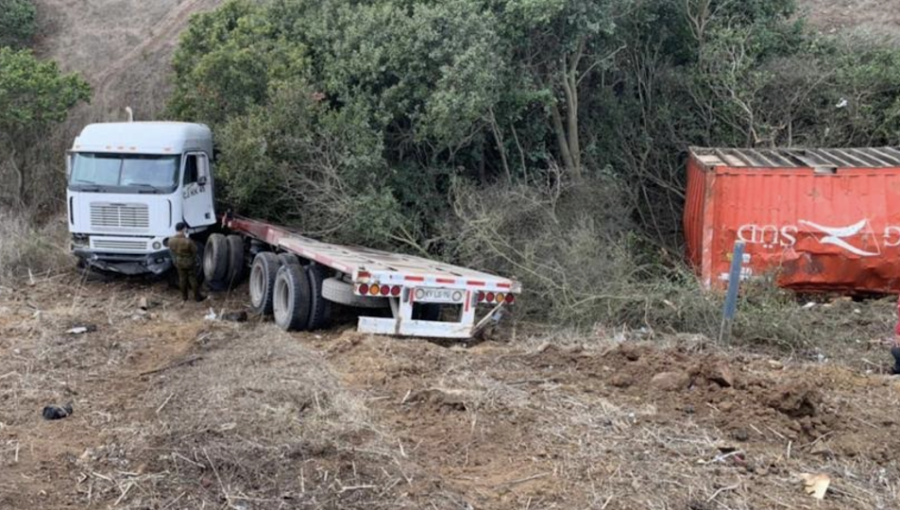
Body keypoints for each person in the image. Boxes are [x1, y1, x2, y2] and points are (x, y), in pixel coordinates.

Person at [167, 222, 203, 302]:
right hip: (189, 262)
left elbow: (171, 252)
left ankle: (184, 297)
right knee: (192, 278)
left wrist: (175, 261)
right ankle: (197, 297)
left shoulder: (171, 240)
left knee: (182, 279)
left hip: (179, 262)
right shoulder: (188, 241)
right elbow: (195, 250)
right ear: (183, 229)